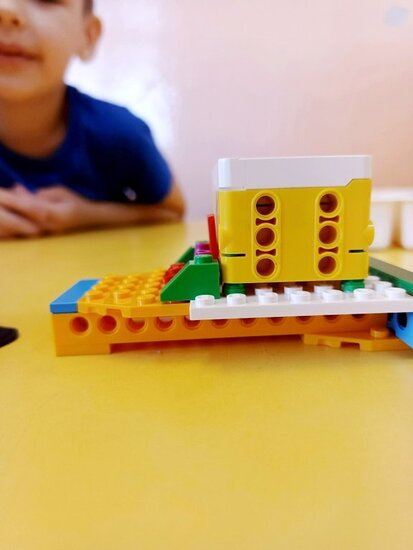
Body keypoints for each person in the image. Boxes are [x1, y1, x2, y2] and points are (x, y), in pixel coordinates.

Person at [0, 0, 185, 238]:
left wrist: (88, 215)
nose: (6, 10)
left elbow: (171, 210)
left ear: (88, 35)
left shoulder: (119, 132)